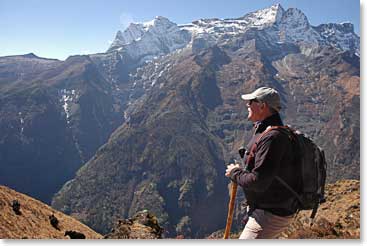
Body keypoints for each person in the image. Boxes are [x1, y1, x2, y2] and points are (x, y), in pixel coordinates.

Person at [225, 87, 300, 239]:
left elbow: (259, 181)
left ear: (262, 106)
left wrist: (235, 173)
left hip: (270, 214)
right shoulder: (268, 131)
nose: (247, 104)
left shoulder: (272, 137)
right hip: (270, 209)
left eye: (251, 101)